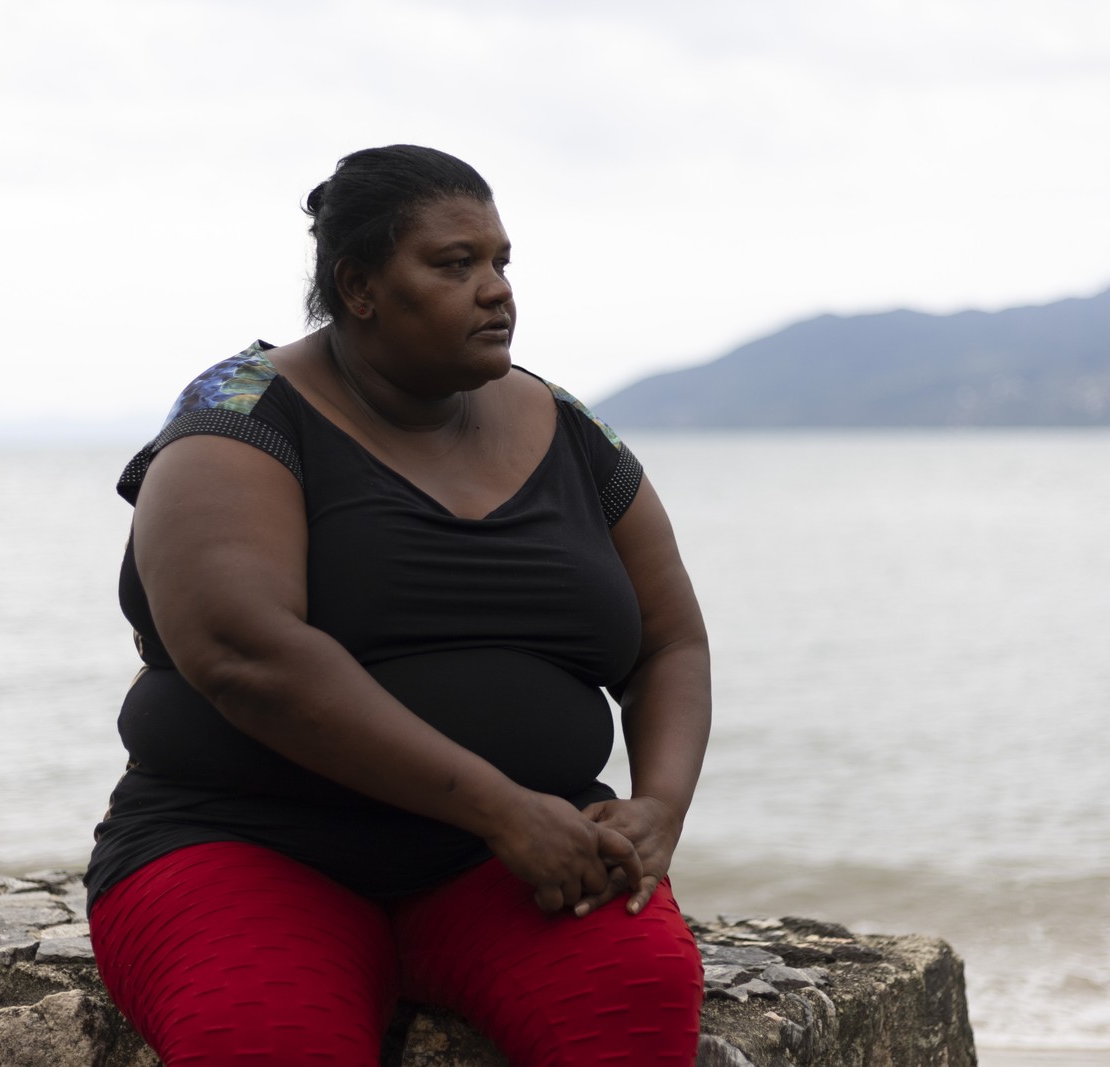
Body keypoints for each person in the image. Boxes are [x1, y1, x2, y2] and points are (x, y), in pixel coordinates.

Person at [84, 145, 712, 1065]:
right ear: (360, 286)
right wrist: (503, 808)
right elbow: (243, 653)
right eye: (456, 265)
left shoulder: (571, 429)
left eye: (501, 262)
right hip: (247, 844)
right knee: (265, 1040)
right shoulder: (242, 410)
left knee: (634, 1004)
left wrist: (659, 805)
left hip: (507, 865)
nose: (496, 289)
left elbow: (669, 644)